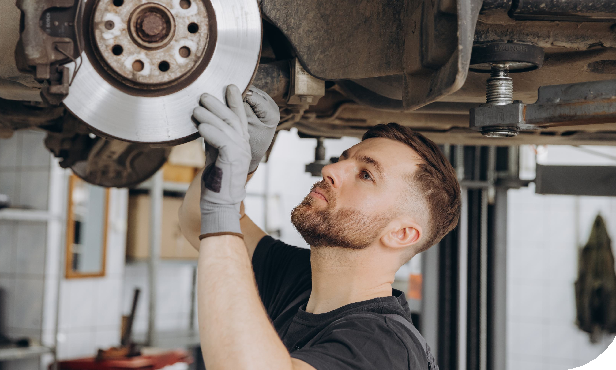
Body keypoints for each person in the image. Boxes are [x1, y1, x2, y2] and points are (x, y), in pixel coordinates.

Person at [179, 84, 460, 369]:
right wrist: (236, 169)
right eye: (342, 159)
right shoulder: (303, 279)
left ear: (401, 234)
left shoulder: (384, 347)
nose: (330, 170)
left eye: (365, 174)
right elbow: (199, 222)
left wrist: (222, 204)